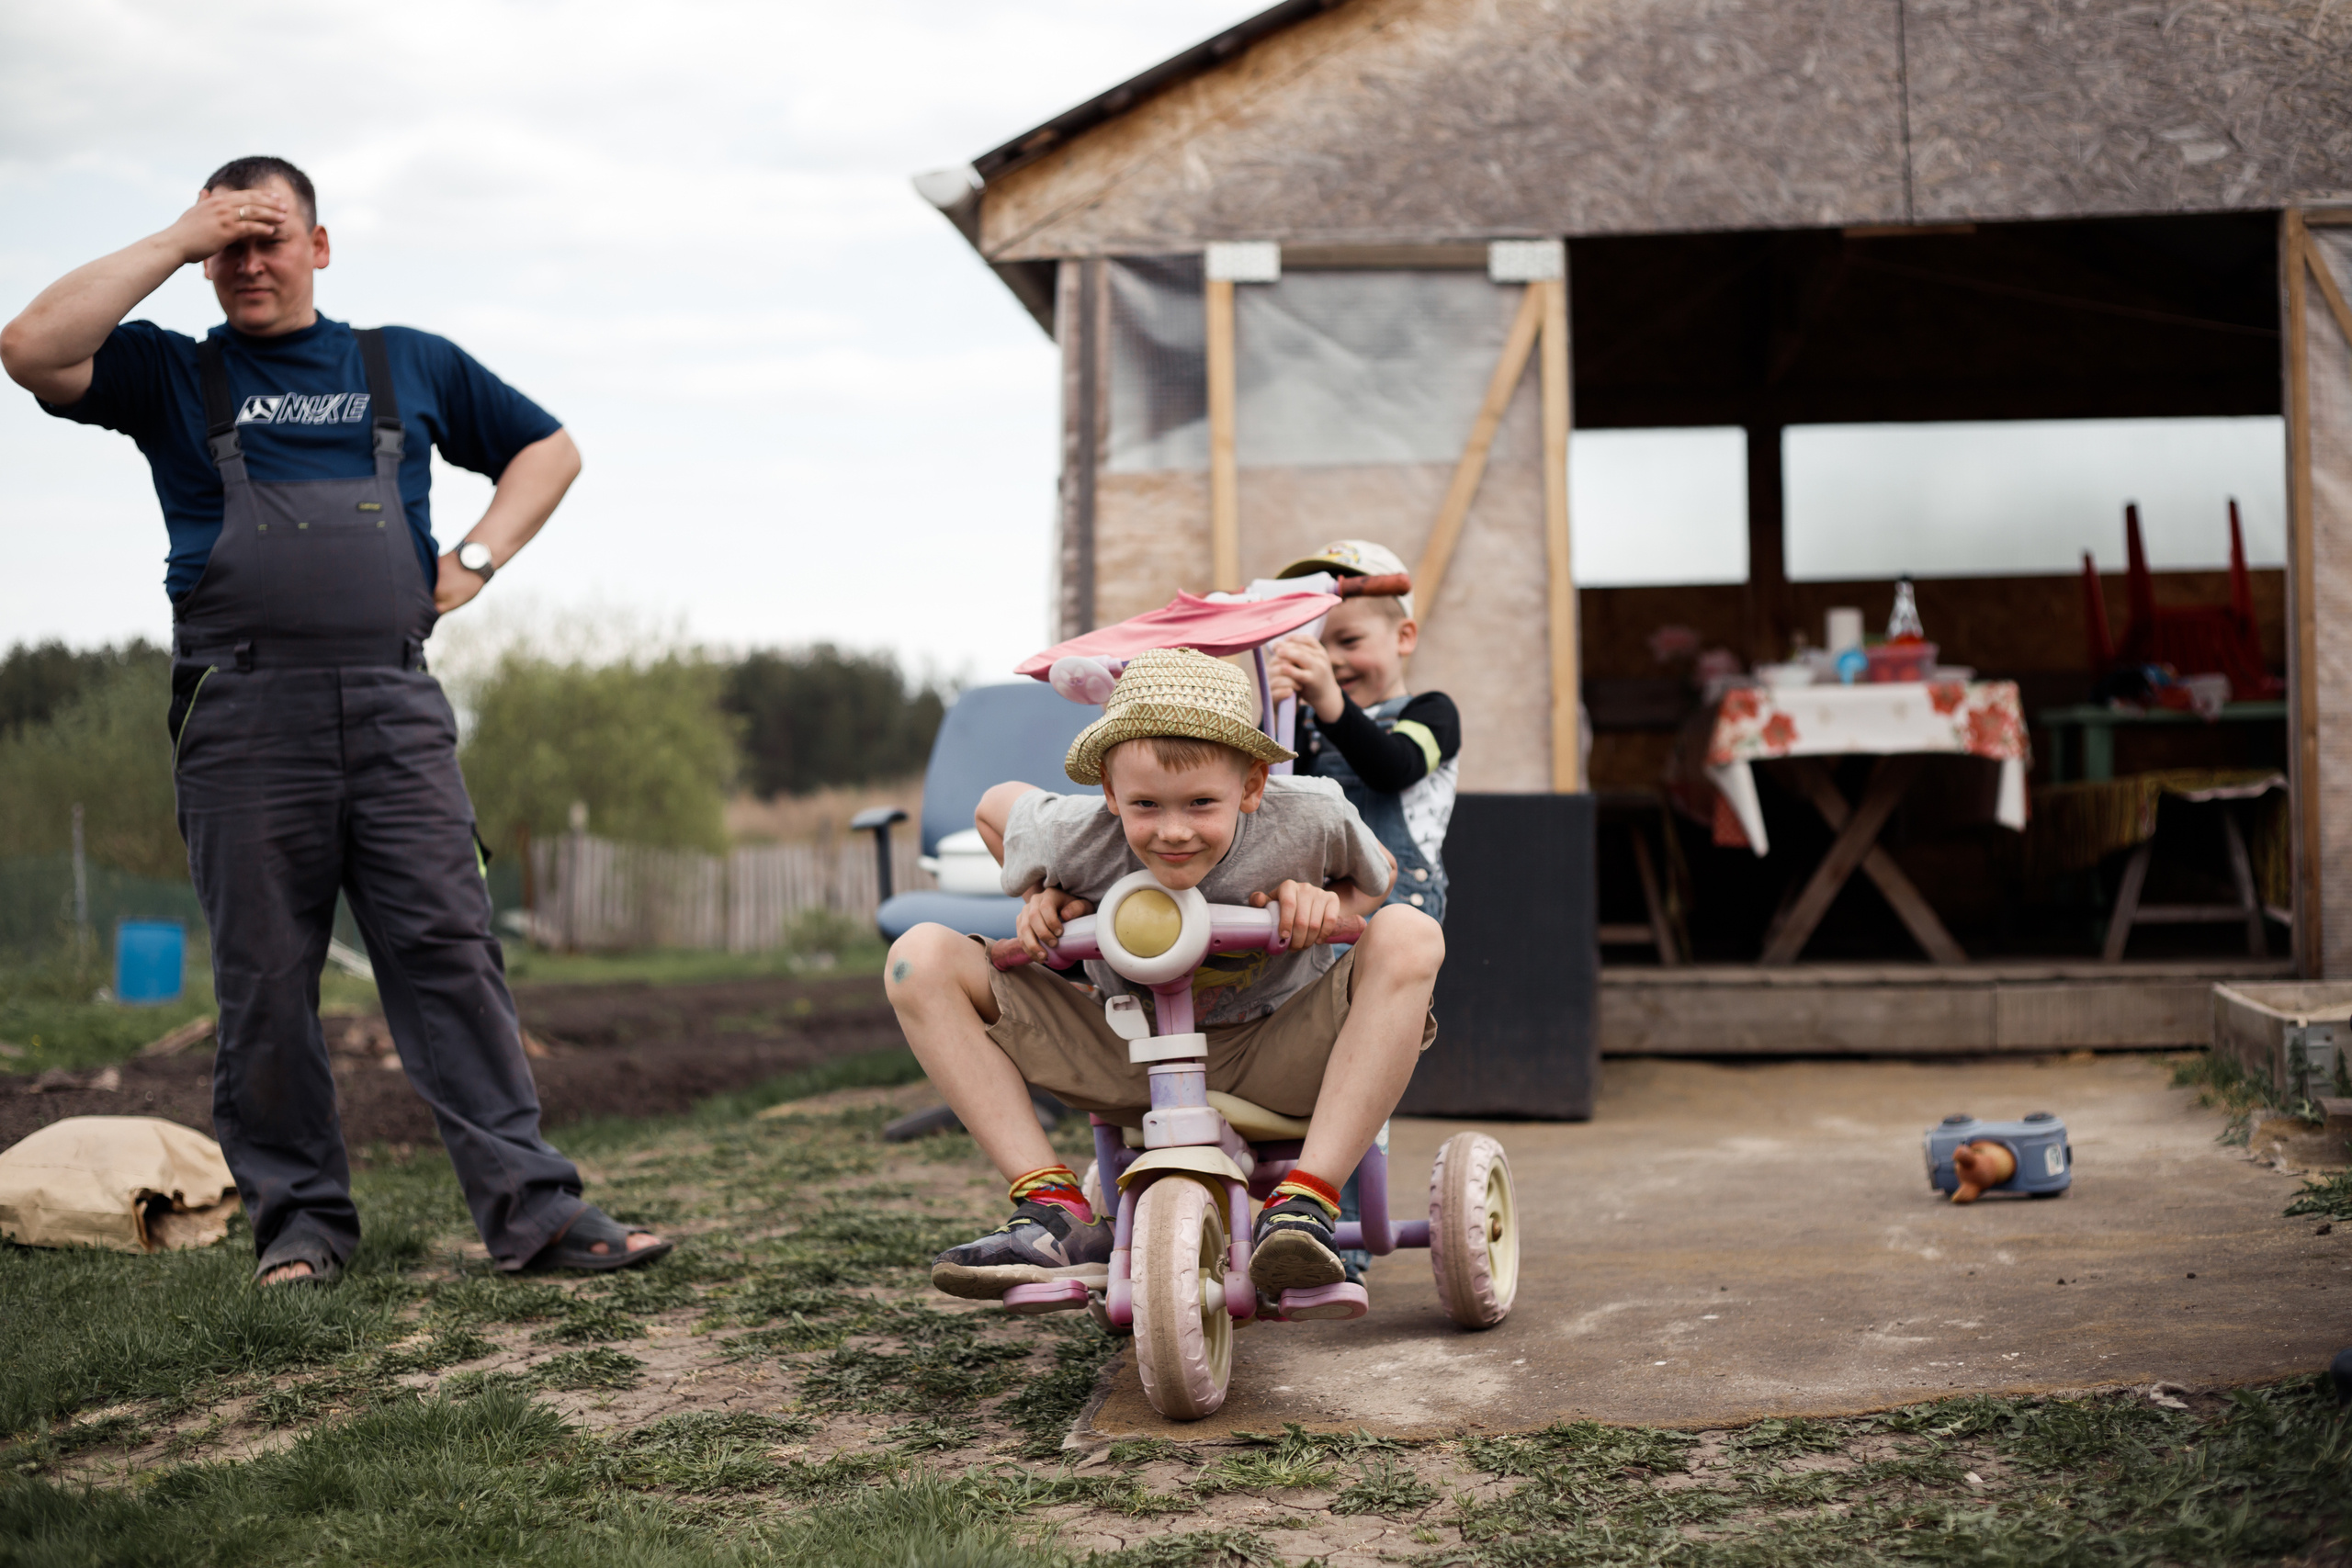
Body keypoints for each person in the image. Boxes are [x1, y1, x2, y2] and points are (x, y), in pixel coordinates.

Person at [0, 156, 668, 1285]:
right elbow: (29, 346)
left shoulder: (402, 362)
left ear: (319, 246)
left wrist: (474, 559)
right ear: (207, 259)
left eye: (272, 238)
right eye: (230, 244)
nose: (249, 262)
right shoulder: (171, 374)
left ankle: (536, 1213)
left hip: (396, 704)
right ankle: (302, 1231)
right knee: (264, 982)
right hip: (243, 708)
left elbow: (549, 449)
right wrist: (176, 235)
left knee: (452, 956)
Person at [884, 647, 1444, 1302]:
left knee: (1412, 934)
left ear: (1254, 786)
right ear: (1109, 793)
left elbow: (1378, 870)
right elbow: (993, 807)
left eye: (1202, 802)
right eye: (1145, 804)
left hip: (1279, 1051)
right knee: (916, 955)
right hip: (1133, 1052)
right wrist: (1049, 889)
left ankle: (1304, 1203)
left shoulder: (1308, 814)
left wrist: (1331, 905)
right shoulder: (1080, 831)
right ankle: (1054, 1207)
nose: (1173, 831)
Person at [1268, 539, 1462, 1281]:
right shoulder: (1303, 728)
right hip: (1317, 910)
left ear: (1403, 636)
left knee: (1358, 1067)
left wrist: (1325, 701)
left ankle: (1338, 1245)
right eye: (1315, 646)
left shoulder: (1430, 713)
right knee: (1303, 1061)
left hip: (1398, 912)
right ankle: (1276, 1210)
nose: (1333, 660)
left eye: (1347, 640)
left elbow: (1391, 765)